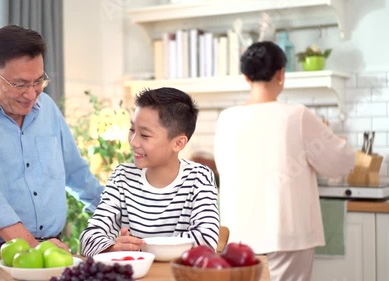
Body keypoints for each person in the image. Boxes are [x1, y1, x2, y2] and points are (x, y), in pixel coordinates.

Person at [0, 25, 104, 253]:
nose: (31, 94)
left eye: (38, 81)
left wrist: (119, 215)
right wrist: (32, 246)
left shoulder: (46, 107)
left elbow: (77, 173)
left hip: (50, 246)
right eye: (19, 84)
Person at [214, 41, 355, 281]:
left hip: (236, 236)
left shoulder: (226, 119)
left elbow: (224, 168)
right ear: (281, 74)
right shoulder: (296, 115)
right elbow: (340, 162)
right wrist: (337, 141)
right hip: (286, 237)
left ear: (246, 77)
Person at [79, 87, 220, 257]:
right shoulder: (122, 177)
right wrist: (113, 247)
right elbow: (88, 239)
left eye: (144, 135)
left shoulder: (199, 177)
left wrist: (139, 247)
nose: (133, 142)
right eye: (132, 130)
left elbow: (206, 242)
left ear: (178, 143)